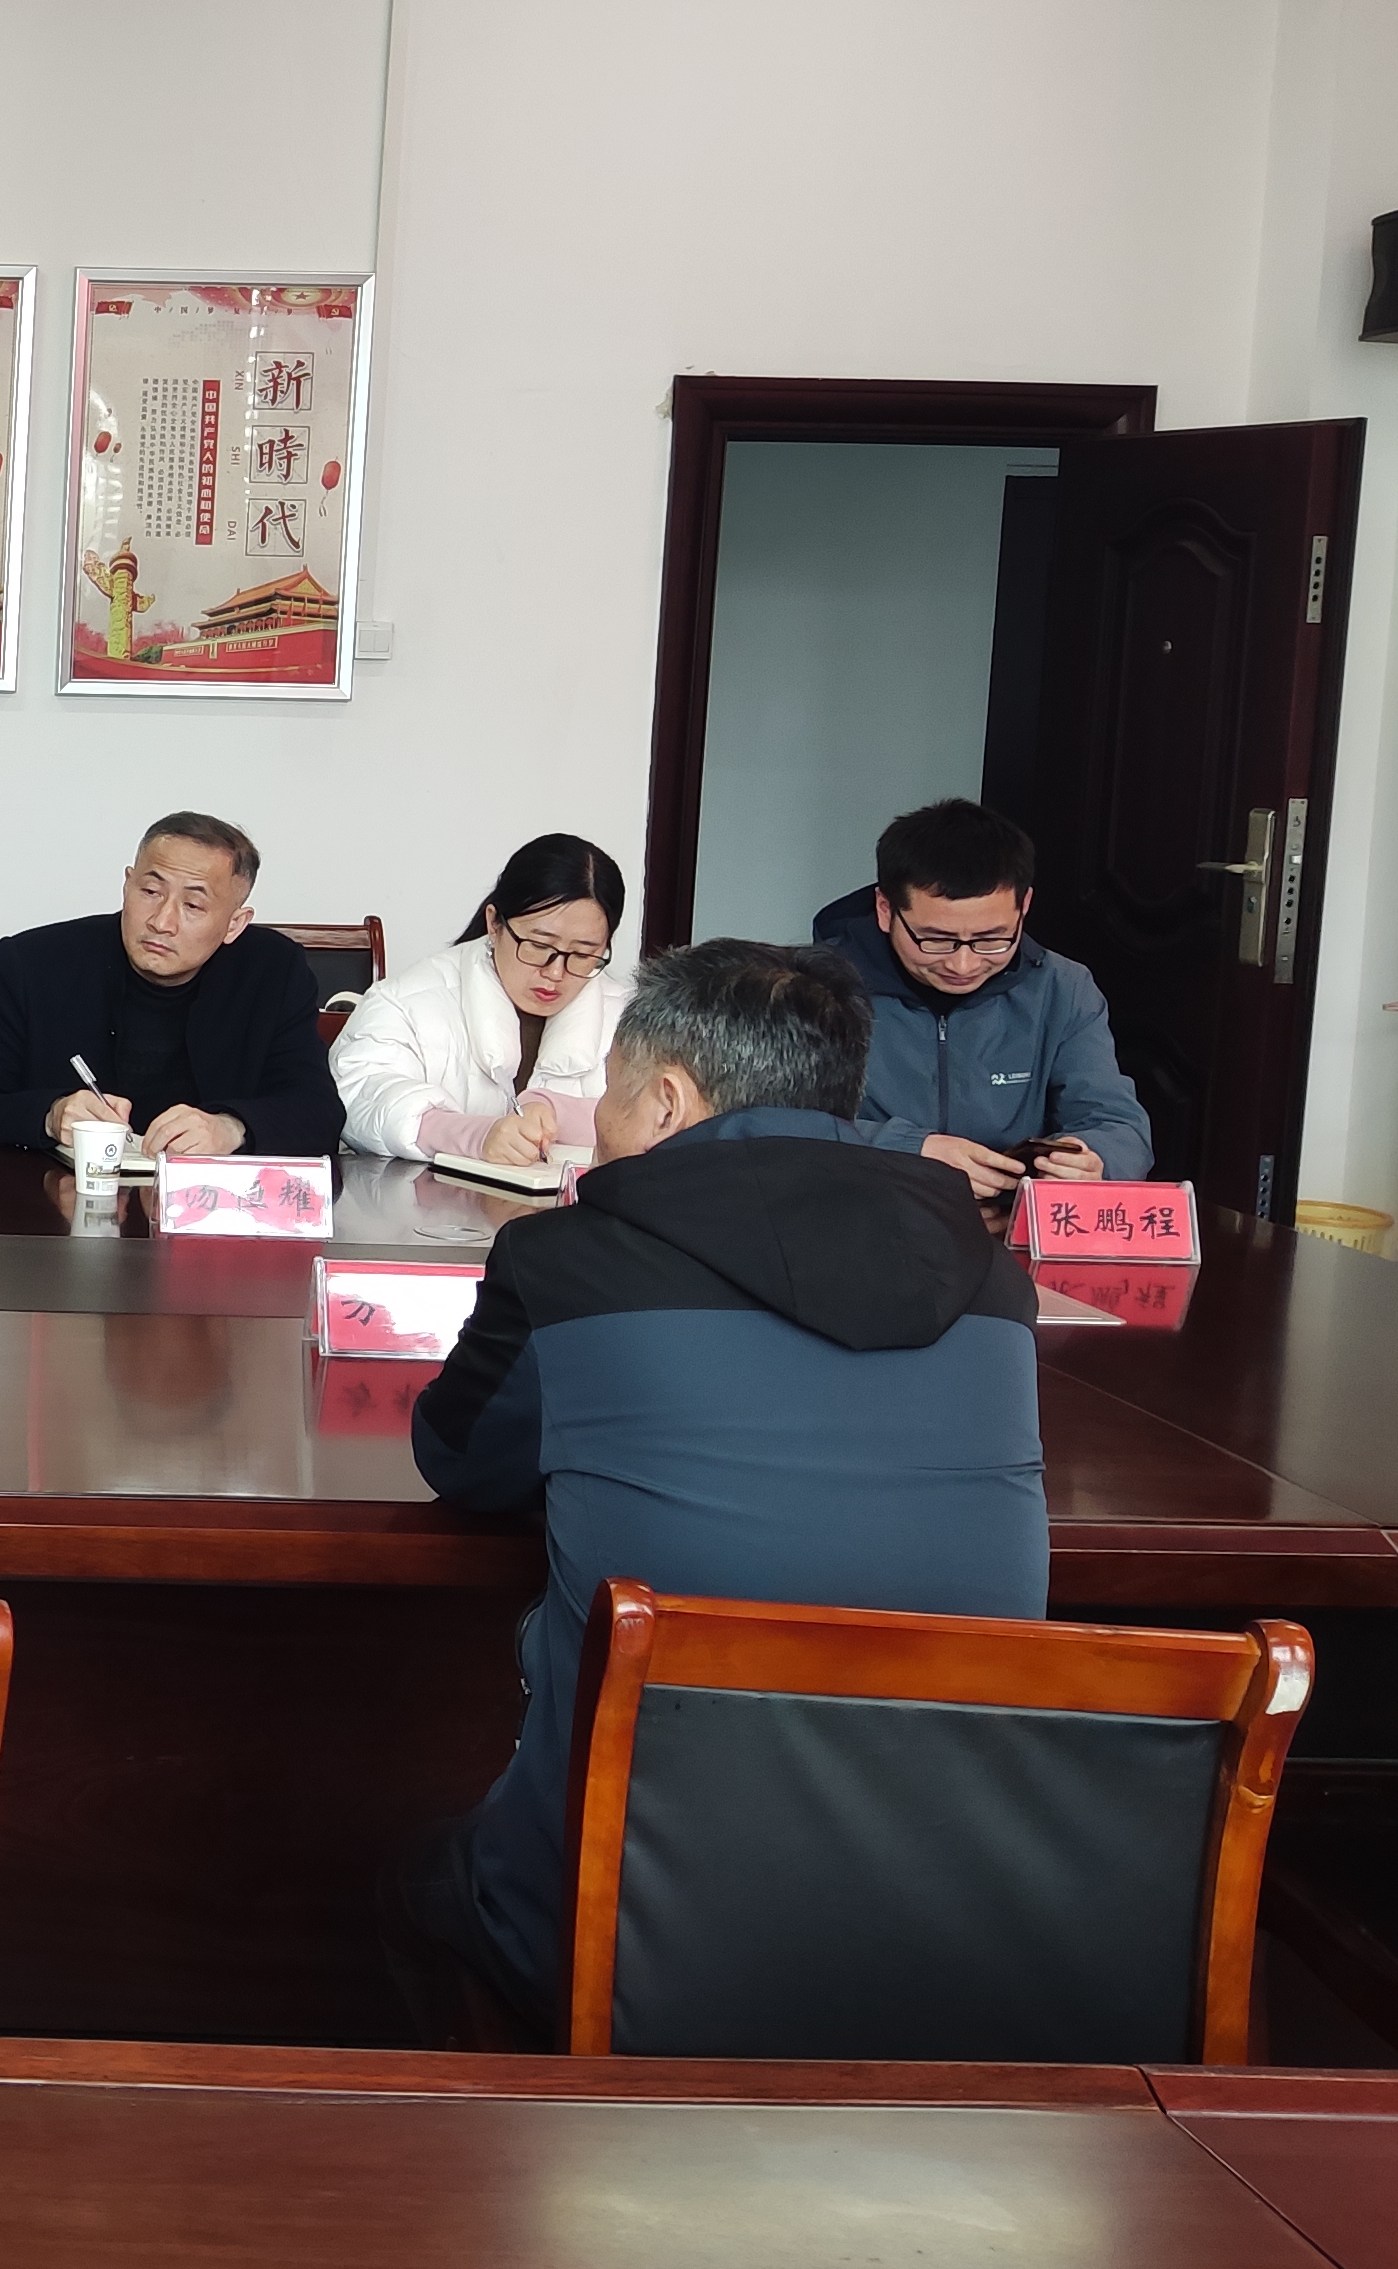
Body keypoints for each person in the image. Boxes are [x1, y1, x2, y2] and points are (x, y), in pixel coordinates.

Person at [392, 938, 1046, 2034]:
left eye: (607, 1090)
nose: (595, 1122)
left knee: (406, 1871)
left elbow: (463, 1463)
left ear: (664, 1100)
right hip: (954, 1922)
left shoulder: (569, 1262)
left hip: (628, 1922)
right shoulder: (990, 1281)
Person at [0, 812, 342, 1155]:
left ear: (234, 924)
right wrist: (48, 1115)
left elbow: (318, 1112)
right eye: (150, 892)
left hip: (206, 1219)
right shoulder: (32, 964)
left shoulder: (272, 971)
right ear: (127, 884)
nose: (162, 922)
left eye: (193, 905)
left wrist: (231, 1128)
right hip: (50, 1214)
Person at [814, 798, 1152, 1195]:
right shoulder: (811, 989)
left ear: (1024, 906)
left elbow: (1119, 1124)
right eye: (936, 940)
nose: (963, 965)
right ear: (885, 909)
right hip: (862, 1210)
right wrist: (911, 1150)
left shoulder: (1062, 988)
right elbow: (771, 1124)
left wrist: (1094, 1158)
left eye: (992, 939)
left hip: (1005, 1219)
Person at [336, 834, 636, 1165]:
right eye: (539, 945)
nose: (555, 972)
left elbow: (663, 1122)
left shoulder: (633, 1018)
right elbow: (361, 1094)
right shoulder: (405, 1002)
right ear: (494, 923)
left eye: (582, 953)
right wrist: (473, 1136)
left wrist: (557, 1113)